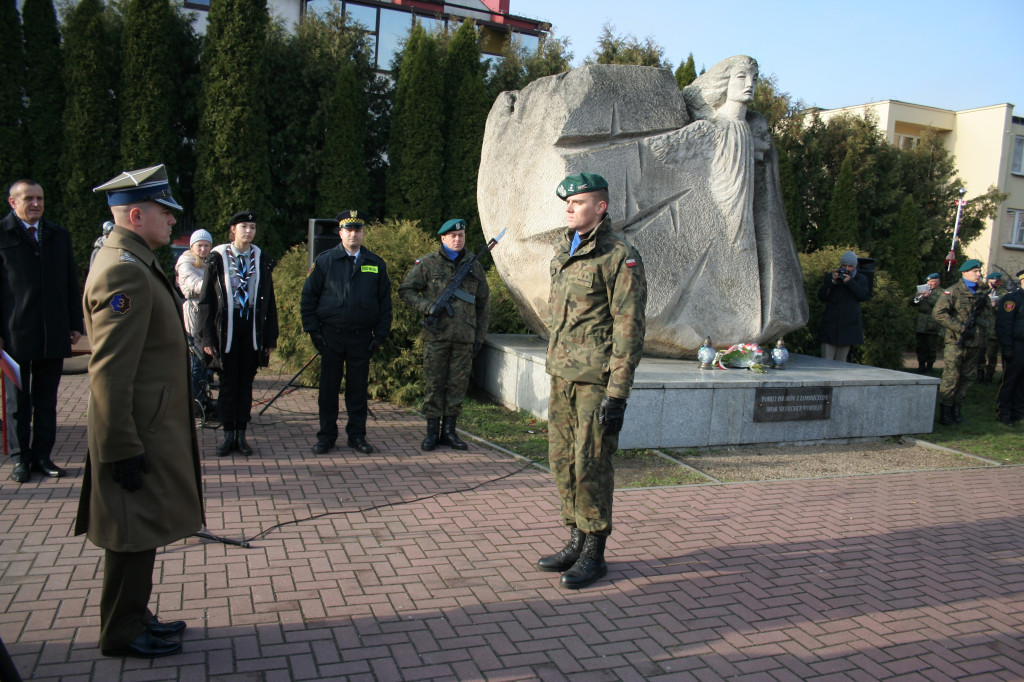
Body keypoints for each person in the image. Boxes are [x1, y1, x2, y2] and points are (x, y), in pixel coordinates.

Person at [76, 164, 204, 659]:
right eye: (164, 212)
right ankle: (122, 630)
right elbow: (108, 370)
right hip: (133, 432)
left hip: (145, 425)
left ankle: (133, 614)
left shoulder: (135, 260)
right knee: (130, 532)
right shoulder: (123, 270)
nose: (173, 220)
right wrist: (121, 445)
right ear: (135, 215)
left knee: (140, 529)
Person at [537, 173, 646, 590]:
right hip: (563, 375)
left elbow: (629, 326)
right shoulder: (566, 250)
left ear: (600, 207)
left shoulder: (619, 256)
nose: (569, 209)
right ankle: (575, 538)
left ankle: (594, 551)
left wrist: (618, 393)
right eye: (567, 203)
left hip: (595, 381)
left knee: (591, 464)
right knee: (562, 460)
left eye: (577, 203)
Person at [0, 179, 84, 484]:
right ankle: (20, 458)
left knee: (47, 401)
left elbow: (69, 283)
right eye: (28, 199)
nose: (35, 203)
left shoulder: (58, 235)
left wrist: (75, 323)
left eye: (40, 198)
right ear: (13, 202)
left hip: (53, 332)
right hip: (14, 334)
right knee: (16, 402)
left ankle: (43, 456)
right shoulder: (2, 234)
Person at [301, 210, 392, 454]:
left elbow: (385, 303)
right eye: (348, 230)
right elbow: (308, 298)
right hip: (331, 335)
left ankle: (357, 436)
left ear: (363, 233)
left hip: (361, 337)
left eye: (358, 230)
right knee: (328, 389)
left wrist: (380, 335)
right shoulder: (324, 261)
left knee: (358, 390)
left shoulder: (375, 263)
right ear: (340, 233)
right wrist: (313, 331)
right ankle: (327, 436)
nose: (353, 234)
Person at [399, 218, 490, 451]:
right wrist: (428, 307)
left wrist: (479, 336)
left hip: (464, 337)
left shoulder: (474, 265)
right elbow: (406, 290)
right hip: (436, 335)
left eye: (461, 235)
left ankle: (450, 432)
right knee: (434, 384)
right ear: (443, 238)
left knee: (457, 386)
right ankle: (431, 432)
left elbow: (483, 304)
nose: (458, 239)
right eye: (453, 236)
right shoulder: (428, 263)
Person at [197, 211, 278, 457]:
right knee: (228, 385)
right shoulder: (218, 257)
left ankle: (241, 433)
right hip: (226, 328)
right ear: (233, 230)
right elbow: (206, 302)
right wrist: (208, 338)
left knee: (246, 384)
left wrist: (270, 338)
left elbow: (269, 301)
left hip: (250, 327)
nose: (249, 231)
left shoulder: (260, 257)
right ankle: (227, 433)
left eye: (252, 227)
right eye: (244, 226)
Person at [933, 259, 993, 425]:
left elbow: (987, 318)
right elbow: (939, 313)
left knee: (967, 377)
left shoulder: (982, 293)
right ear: (964, 272)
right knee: (951, 377)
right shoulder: (953, 292)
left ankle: (956, 409)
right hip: (956, 342)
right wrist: (960, 328)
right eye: (975, 271)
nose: (978, 274)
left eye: (979, 271)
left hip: (975, 342)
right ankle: (945, 411)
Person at [175, 229, 213, 404]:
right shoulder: (186, 263)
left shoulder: (209, 263)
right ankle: (196, 402)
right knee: (197, 361)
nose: (203, 249)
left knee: (207, 361)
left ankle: (203, 398)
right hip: (194, 315)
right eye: (200, 246)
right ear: (192, 247)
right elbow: (196, 285)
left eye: (206, 246)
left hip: (209, 314)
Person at [818, 250, 871, 362]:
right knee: (826, 361)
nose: (847, 268)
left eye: (850, 266)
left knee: (841, 363)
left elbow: (863, 296)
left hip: (848, 326)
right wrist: (833, 281)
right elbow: (822, 296)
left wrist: (850, 282)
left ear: (855, 266)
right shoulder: (831, 277)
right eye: (844, 265)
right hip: (831, 326)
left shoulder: (861, 279)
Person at [995, 269, 1024, 425]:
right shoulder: (1012, 300)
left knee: (1022, 383)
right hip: (1016, 345)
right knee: (1010, 381)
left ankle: (1018, 413)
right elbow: (1004, 325)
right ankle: (1003, 412)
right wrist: (1007, 347)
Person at [910, 272, 942, 374]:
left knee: (930, 346)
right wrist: (916, 296)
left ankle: (929, 367)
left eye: (932, 281)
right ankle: (921, 365)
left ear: (938, 282)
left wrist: (930, 297)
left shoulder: (941, 292)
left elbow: (941, 304)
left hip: (932, 323)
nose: (930, 283)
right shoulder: (924, 291)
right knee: (920, 346)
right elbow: (912, 303)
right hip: (921, 323)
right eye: (928, 281)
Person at [982, 272, 1009, 384]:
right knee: (981, 353)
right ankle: (980, 374)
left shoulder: (1005, 295)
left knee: (992, 355)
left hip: (995, 329)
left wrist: (995, 305)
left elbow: (1006, 312)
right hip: (983, 329)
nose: (992, 284)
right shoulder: (984, 293)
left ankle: (990, 375)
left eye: (994, 282)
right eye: (990, 282)